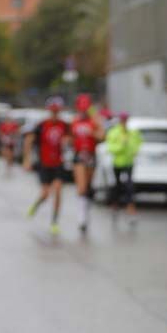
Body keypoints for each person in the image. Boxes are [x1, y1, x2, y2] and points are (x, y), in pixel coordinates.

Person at [25, 96, 72, 235]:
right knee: (45, 194)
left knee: (57, 191)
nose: (55, 114)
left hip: (58, 163)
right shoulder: (41, 125)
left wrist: (67, 142)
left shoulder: (65, 125)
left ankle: (54, 222)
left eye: (57, 111)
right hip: (44, 163)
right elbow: (29, 140)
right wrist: (26, 159)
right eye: (53, 111)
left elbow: (70, 140)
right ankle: (36, 204)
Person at [69, 94, 105, 233]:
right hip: (79, 156)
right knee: (81, 187)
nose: (83, 111)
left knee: (88, 187)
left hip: (91, 156)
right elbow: (69, 138)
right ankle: (81, 217)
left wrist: (93, 132)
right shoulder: (74, 121)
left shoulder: (94, 121)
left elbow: (102, 136)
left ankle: (85, 208)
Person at [104, 111, 142, 226]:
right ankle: (115, 206)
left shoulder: (132, 132)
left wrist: (134, 150)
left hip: (129, 163)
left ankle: (130, 209)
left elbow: (138, 143)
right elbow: (110, 147)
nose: (124, 122)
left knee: (129, 186)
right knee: (117, 186)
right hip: (118, 163)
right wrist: (121, 145)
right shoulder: (114, 132)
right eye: (122, 120)